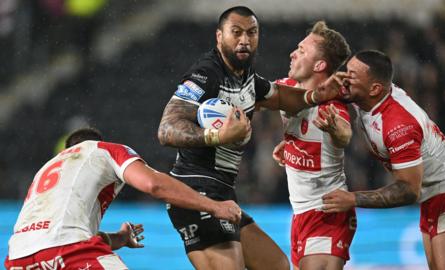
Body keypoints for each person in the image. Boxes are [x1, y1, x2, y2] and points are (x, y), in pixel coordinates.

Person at [157, 6, 338, 270]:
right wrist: (218, 135)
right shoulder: (207, 73)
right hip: (195, 190)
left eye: (252, 33)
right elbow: (166, 129)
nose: (245, 40)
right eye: (236, 32)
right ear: (219, 37)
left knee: (275, 265)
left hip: (223, 191)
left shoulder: (247, 77)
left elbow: (278, 96)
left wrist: (316, 96)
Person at [320, 50, 445, 270]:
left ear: (375, 88)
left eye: (352, 75)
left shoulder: (399, 126)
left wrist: (353, 199)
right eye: (346, 71)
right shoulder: (367, 96)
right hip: (433, 193)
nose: (344, 79)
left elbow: (408, 190)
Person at [5, 127, 242, 270]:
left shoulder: (46, 170)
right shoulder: (103, 149)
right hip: (67, 250)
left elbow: (49, 234)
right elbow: (153, 184)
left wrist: (118, 238)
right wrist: (214, 206)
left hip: (18, 259)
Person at [271, 21, 356, 270]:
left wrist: (335, 130)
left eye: (302, 50)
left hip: (327, 212)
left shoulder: (332, 106)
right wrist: (289, 143)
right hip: (300, 214)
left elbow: (344, 134)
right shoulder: (286, 88)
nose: (292, 53)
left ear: (319, 66)